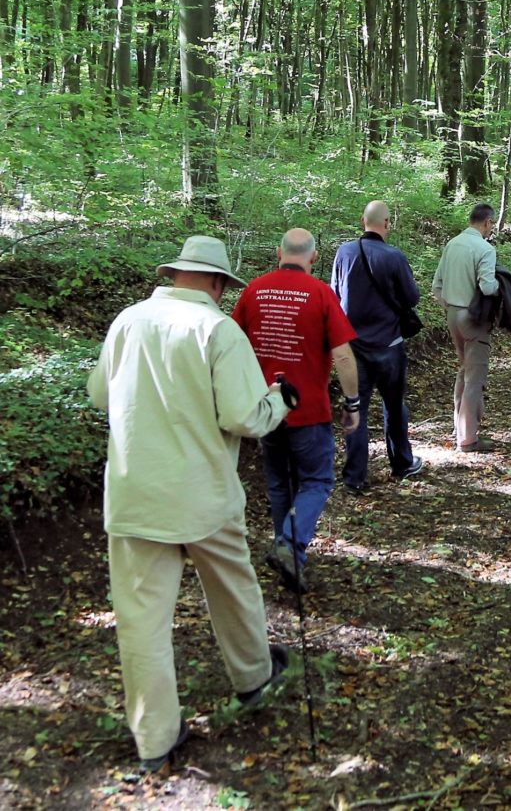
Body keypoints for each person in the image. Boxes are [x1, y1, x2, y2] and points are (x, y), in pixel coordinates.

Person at [87, 236, 291, 774]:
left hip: (135, 495)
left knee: (141, 621)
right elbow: (245, 418)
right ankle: (253, 677)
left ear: (175, 273)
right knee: (233, 585)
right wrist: (280, 400)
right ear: (220, 284)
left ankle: (155, 739)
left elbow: (100, 397)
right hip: (203, 494)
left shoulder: (127, 321)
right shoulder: (218, 330)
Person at [232, 228, 360, 593]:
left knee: (278, 485)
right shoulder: (321, 293)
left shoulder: (253, 290)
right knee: (317, 482)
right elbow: (343, 355)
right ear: (314, 258)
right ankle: (289, 546)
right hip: (308, 411)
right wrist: (352, 404)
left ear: (278, 253)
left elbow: (232, 345)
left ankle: (288, 556)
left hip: (265, 408)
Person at [331, 201, 423, 493]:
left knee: (356, 407)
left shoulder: (344, 252)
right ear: (386, 224)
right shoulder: (394, 256)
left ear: (363, 221)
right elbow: (411, 298)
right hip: (389, 344)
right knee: (394, 406)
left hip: (353, 347)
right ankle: (401, 463)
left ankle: (354, 476)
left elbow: (334, 293)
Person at [432, 203, 500, 452]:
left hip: (452, 314)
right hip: (473, 318)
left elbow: (436, 286)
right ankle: (468, 438)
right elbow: (487, 287)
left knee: (464, 370)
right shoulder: (484, 248)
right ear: (487, 222)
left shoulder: (453, 244)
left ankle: (459, 428)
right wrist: (502, 289)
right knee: (475, 377)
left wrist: (449, 307)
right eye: (492, 224)